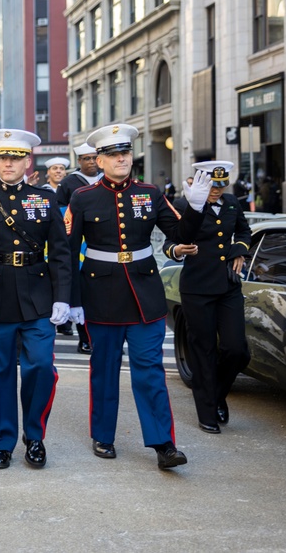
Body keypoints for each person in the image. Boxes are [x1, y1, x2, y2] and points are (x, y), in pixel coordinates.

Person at [65, 123, 210, 470]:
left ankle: (164, 444)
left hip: (145, 293)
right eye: (113, 155)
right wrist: (70, 300)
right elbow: (67, 252)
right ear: (99, 161)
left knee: (150, 371)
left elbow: (179, 234)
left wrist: (195, 208)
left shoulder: (150, 192)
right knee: (104, 370)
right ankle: (103, 435)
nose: (121, 159)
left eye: (126, 153)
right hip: (100, 294)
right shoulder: (82, 198)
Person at [0, 129, 72, 469]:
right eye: (2, 158)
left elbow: (61, 252)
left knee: (41, 367)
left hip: (39, 295)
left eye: (15, 158)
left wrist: (63, 297)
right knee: (0, 372)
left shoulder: (43, 197)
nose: (8, 163)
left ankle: (35, 438)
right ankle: (3, 442)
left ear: (27, 161)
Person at [162, 161, 251, 434]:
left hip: (227, 285)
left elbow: (244, 231)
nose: (217, 190)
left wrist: (239, 250)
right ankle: (207, 411)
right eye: (212, 185)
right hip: (198, 287)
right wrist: (178, 247)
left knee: (237, 350)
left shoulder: (232, 202)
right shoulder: (186, 203)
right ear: (201, 182)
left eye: (221, 185)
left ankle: (216, 396)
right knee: (203, 351)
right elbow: (172, 241)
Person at [55, 143, 103, 353]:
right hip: (77, 241)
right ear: (79, 161)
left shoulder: (107, 179)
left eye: (94, 158)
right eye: (86, 158)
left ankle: (102, 337)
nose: (91, 162)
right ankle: (85, 338)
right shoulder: (68, 183)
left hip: (102, 241)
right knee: (81, 291)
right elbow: (60, 213)